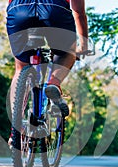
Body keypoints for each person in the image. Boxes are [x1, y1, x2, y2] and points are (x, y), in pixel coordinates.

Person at [6, 0, 88, 145]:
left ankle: (16, 127)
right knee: (68, 53)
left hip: (19, 9)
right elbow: (79, 13)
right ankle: (54, 83)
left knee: (20, 67)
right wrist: (84, 45)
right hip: (54, 8)